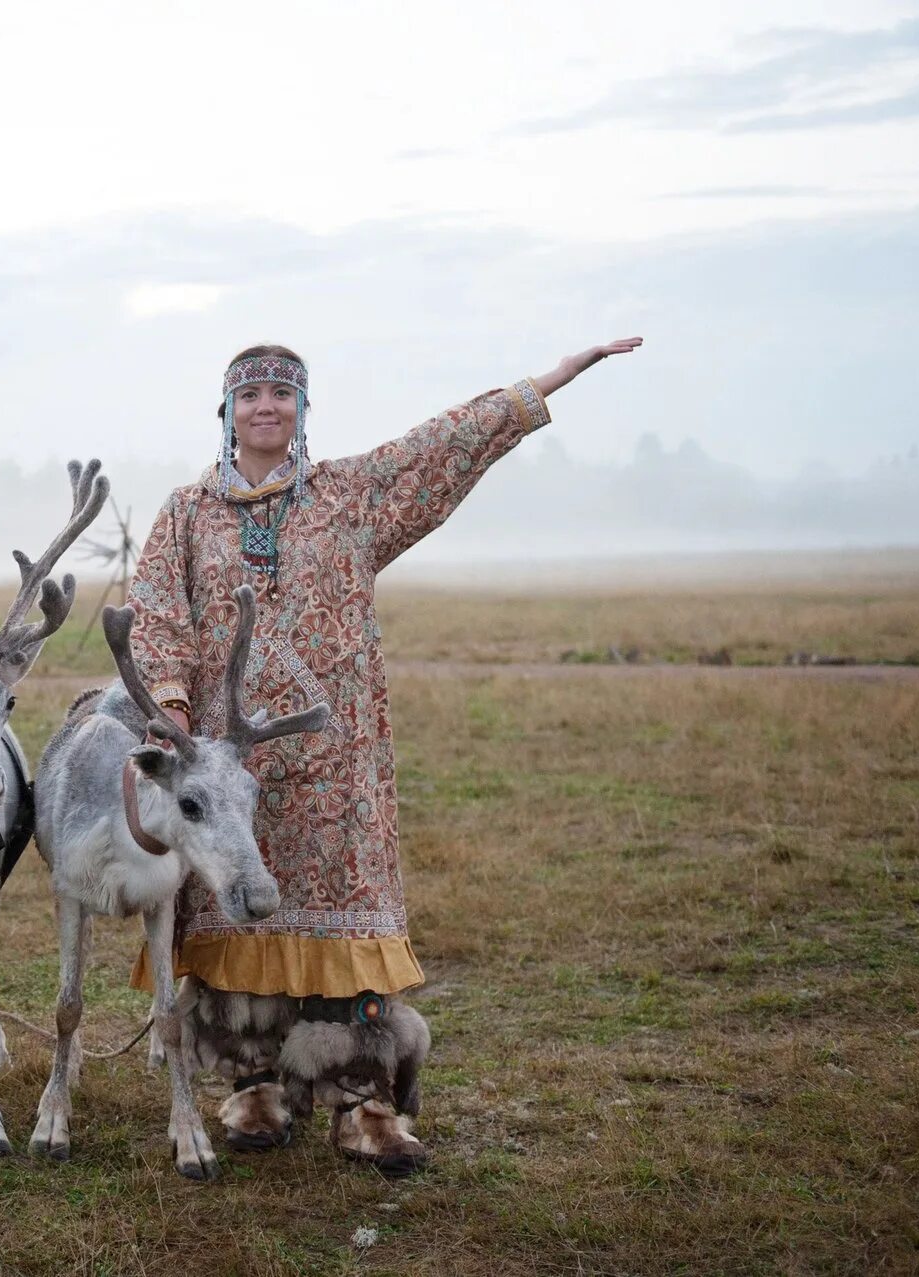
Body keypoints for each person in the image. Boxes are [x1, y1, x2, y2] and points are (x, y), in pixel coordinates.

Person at [128, 337, 642, 1173]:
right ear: (226, 413)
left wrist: (544, 383)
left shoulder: (349, 496)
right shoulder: (186, 513)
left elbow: (442, 446)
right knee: (233, 921)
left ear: (301, 410)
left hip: (339, 772)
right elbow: (154, 617)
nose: (266, 407)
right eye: (249, 395)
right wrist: (173, 720)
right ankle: (252, 1083)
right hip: (232, 773)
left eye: (281, 395)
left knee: (346, 938)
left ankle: (362, 1102)